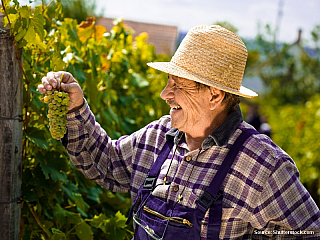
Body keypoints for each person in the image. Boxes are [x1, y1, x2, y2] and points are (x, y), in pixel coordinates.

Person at [38, 25, 320, 239]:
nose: (164, 94)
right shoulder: (159, 136)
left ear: (214, 94)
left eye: (177, 85)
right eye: (167, 82)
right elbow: (106, 163)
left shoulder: (264, 167)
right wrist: (76, 109)